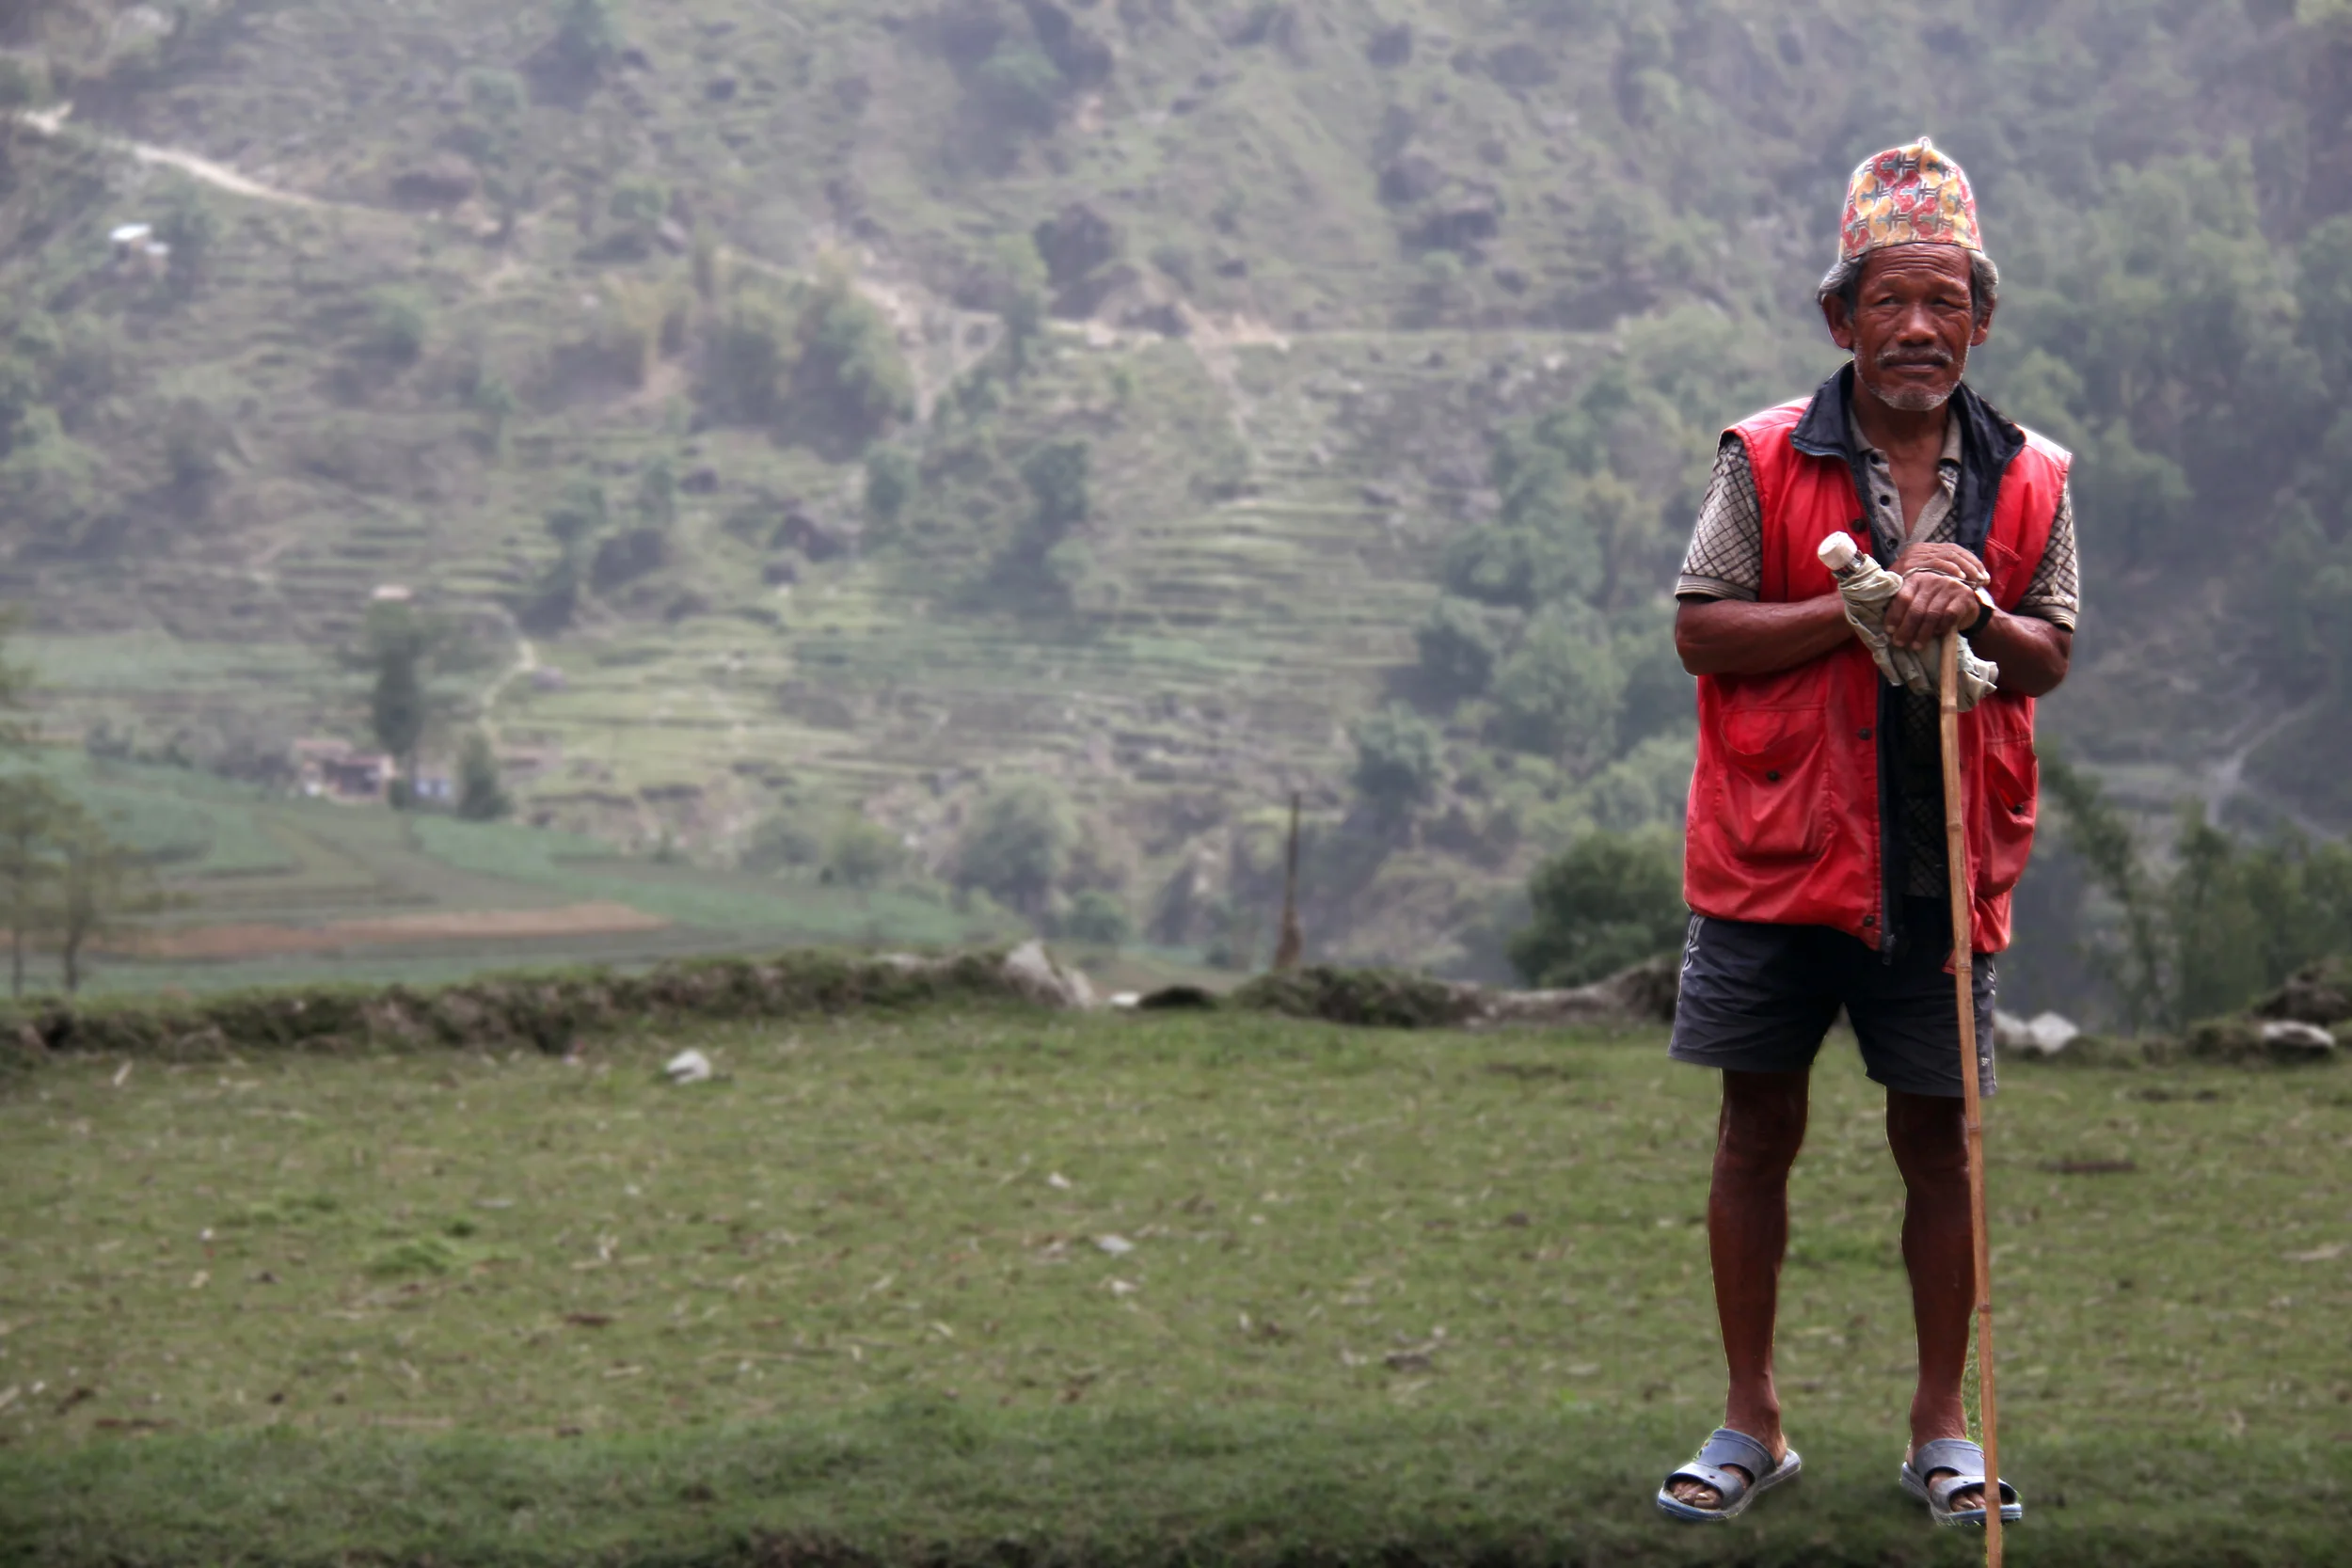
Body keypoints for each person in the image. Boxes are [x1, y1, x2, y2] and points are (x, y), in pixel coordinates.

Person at [1655, 137, 2077, 1528]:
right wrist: (1850, 614)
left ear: (1981, 319)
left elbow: (2048, 654)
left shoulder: (2029, 479)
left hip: (1940, 858)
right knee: (1754, 1125)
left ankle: (1941, 1431)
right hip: (1777, 852)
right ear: (1840, 318)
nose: (1917, 327)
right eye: (1889, 301)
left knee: (1940, 1142)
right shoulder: (1766, 458)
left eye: (1944, 301)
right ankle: (1749, 1421)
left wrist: (1975, 609)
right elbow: (1700, 628)